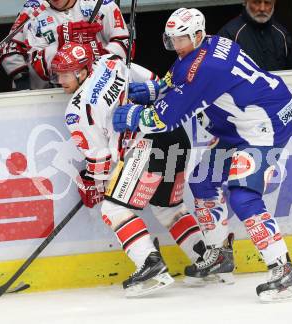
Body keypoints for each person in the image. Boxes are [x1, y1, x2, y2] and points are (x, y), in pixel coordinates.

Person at [113, 7, 292, 302]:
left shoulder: (205, 69)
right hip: (239, 128)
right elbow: (176, 80)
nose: (175, 47)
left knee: (243, 197)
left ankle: (284, 272)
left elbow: (165, 118)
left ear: (198, 35)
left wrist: (134, 116)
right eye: (171, 40)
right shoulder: (210, 44)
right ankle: (219, 254)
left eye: (181, 40)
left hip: (265, 126)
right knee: (203, 183)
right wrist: (155, 89)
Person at [51, 42, 208, 297]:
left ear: (81, 71)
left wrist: (96, 184)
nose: (60, 80)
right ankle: (206, 260)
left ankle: (150, 264)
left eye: (65, 74)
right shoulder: (110, 62)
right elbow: (156, 84)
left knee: (113, 209)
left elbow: (100, 159)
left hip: (145, 146)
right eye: (58, 73)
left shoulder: (77, 111)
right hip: (174, 135)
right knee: (167, 207)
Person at [1, 0, 130, 90]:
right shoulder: (34, 11)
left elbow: (125, 45)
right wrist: (64, 47)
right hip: (50, 96)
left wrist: (92, 53)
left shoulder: (101, 4)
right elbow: (31, 59)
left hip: (101, 87)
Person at [218, 0, 292, 71]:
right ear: (246, 2)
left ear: (274, 3)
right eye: (256, 2)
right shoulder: (229, 34)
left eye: (267, 3)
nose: (262, 8)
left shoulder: (281, 34)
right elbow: (218, 73)